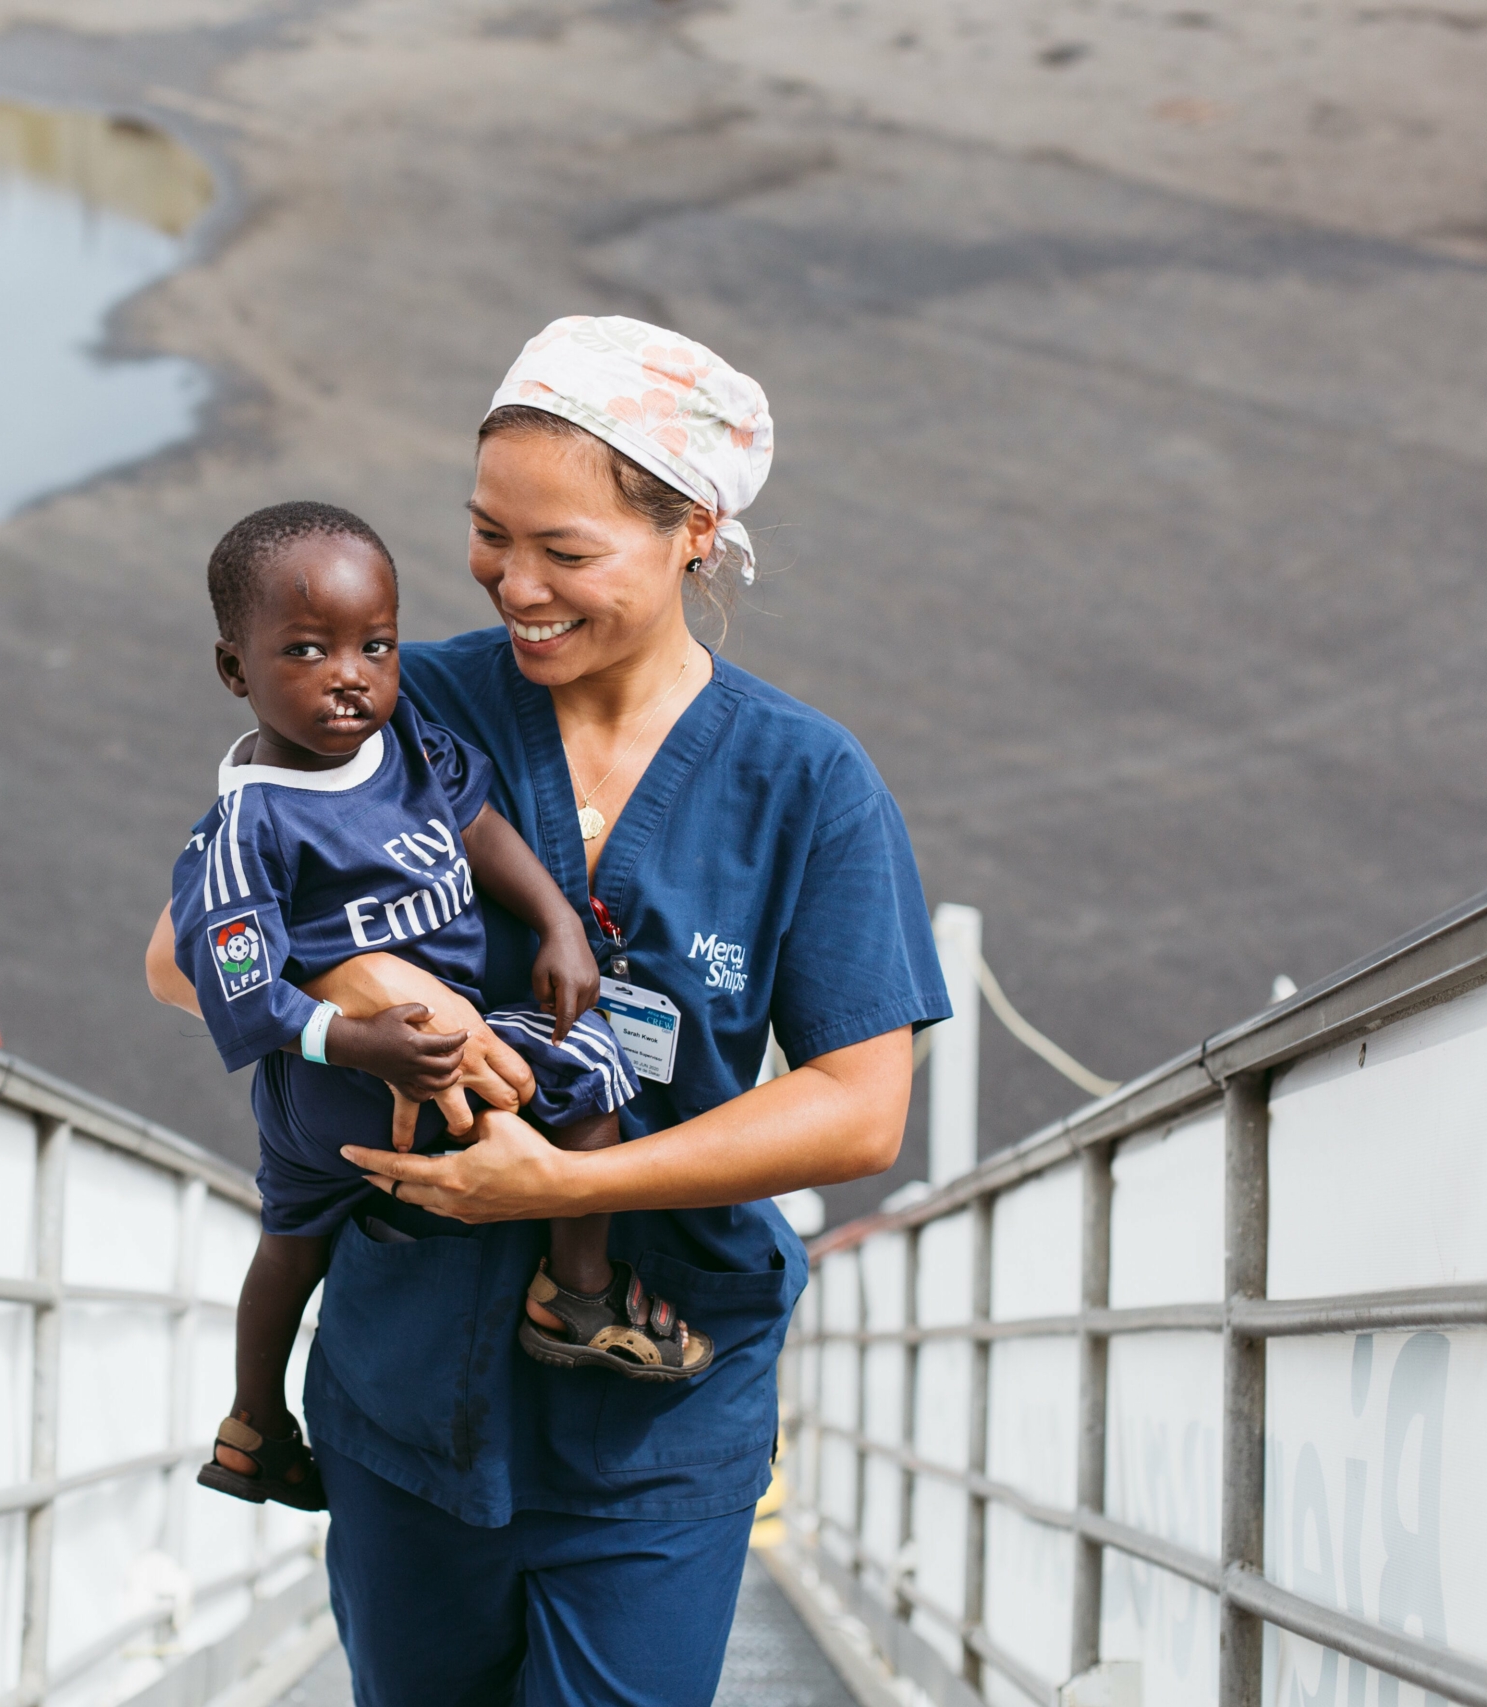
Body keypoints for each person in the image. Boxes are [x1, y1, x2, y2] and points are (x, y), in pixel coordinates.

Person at [147, 316, 950, 1705]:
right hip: (404, 1389)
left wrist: (559, 1183)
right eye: (487, 535)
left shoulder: (807, 781)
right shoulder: (401, 696)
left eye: (563, 551)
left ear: (693, 529)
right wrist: (369, 985)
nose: (513, 583)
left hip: (658, 1415)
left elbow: (860, 1106)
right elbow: (182, 951)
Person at [172, 501, 716, 1515]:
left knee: (292, 1242)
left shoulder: (404, 737)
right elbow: (239, 992)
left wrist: (556, 920)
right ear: (234, 672)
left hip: (357, 1083)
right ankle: (578, 1292)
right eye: (305, 650)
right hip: (348, 1074)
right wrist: (361, 1040)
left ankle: (252, 1427)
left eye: (374, 645)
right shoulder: (245, 827)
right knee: (590, 1069)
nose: (352, 674)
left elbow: (475, 825)